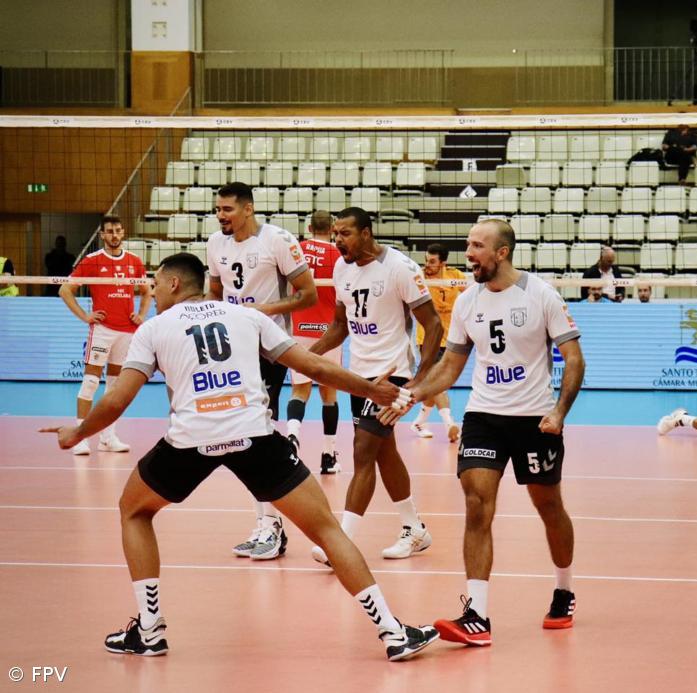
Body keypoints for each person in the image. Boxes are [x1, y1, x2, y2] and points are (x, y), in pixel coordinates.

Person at [40, 253, 439, 662]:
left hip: (190, 441)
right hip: (254, 436)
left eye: (155, 283)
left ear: (174, 284)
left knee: (133, 511)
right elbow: (310, 364)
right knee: (327, 530)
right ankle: (392, 632)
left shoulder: (155, 329)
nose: (152, 291)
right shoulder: (246, 316)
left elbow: (120, 397)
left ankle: (150, 630)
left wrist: (78, 431)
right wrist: (370, 389)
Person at [380, 218, 585, 646]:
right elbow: (451, 366)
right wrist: (412, 393)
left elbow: (574, 358)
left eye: (476, 246)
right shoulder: (468, 300)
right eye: (468, 244)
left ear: (501, 252)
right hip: (484, 417)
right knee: (476, 504)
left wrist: (560, 412)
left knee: (548, 505)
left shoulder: (540, 295)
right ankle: (477, 615)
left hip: (534, 420)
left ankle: (564, 589)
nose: (468, 253)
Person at [309, 207, 444, 563]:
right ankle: (414, 528)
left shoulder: (399, 267)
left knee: (363, 449)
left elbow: (433, 326)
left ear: (366, 233)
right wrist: (305, 355)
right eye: (335, 233)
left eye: (345, 233)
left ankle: (339, 543)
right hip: (359, 375)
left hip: (393, 374)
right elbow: (340, 326)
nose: (338, 240)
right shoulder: (341, 269)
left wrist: (417, 382)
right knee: (385, 453)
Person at [206, 182, 319, 561]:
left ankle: (270, 526)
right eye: (218, 209)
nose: (221, 216)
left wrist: (261, 312)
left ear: (248, 209)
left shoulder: (277, 241)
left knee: (254, 433)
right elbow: (214, 294)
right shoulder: (215, 244)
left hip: (268, 347)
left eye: (227, 209)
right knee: (244, 433)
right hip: (232, 347)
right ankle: (268, 524)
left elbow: (309, 294)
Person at [59, 216, 151, 455]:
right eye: (110, 231)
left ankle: (108, 438)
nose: (114, 235)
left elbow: (147, 290)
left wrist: (141, 314)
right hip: (103, 330)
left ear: (123, 232)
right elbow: (65, 289)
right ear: (102, 234)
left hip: (127, 332)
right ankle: (80, 437)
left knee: (114, 387)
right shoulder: (92, 261)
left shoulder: (134, 261)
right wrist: (85, 316)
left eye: (118, 231)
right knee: (90, 383)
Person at [284, 211, 343, 474]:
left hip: (299, 328)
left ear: (308, 227)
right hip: (329, 331)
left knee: (300, 390)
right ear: (332, 228)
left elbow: (287, 289)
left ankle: (292, 436)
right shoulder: (338, 254)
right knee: (329, 395)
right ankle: (328, 456)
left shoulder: (297, 250)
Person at [410, 243, 466, 442]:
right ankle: (449, 423)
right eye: (426, 260)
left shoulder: (455, 276)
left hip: (450, 337)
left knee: (436, 382)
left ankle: (419, 421)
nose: (428, 265)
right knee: (438, 381)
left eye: (433, 261)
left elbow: (471, 294)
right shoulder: (421, 277)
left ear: (443, 262)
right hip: (427, 338)